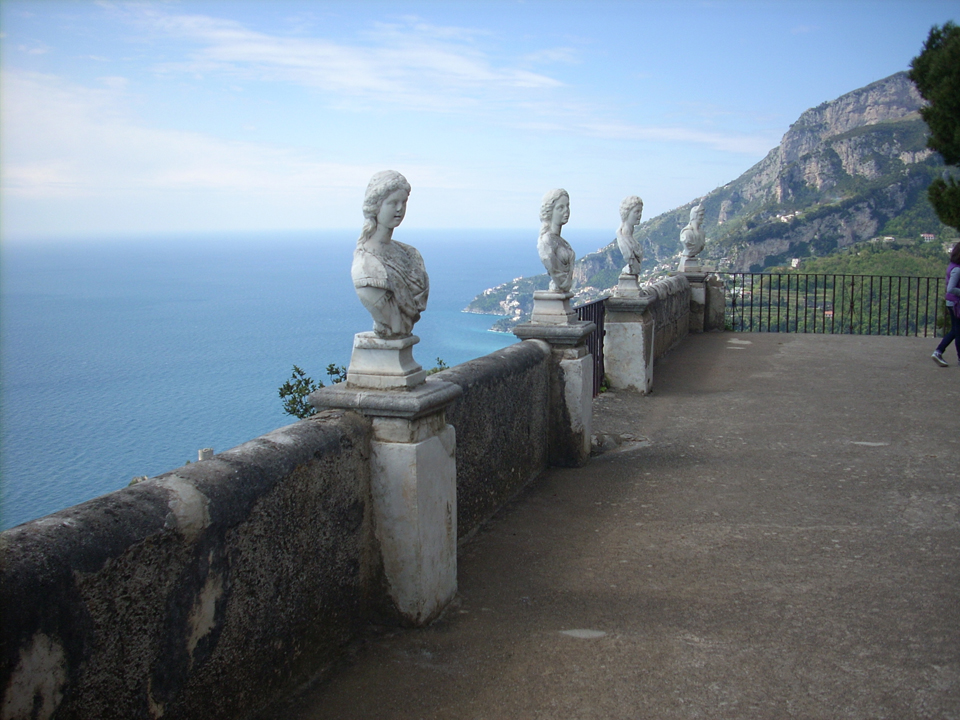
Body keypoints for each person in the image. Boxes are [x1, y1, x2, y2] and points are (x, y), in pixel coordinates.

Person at [351, 170, 429, 339]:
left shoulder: (411, 254)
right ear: (375, 206)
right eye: (392, 203)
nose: (400, 209)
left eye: (404, 202)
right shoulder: (366, 265)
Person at [537, 188, 575, 293]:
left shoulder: (563, 242)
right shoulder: (546, 242)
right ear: (550, 211)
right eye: (560, 208)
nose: (566, 211)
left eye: (568, 206)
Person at [932, 242, 960, 366]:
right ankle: (939, 351)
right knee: (958, 331)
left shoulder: (952, 266)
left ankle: (938, 351)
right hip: (956, 303)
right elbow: (951, 288)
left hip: (952, 302)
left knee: (955, 330)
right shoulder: (957, 269)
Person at [617, 195, 644, 276]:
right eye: (636, 212)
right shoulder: (623, 239)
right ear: (626, 213)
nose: (640, 215)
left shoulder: (631, 238)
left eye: (641, 212)